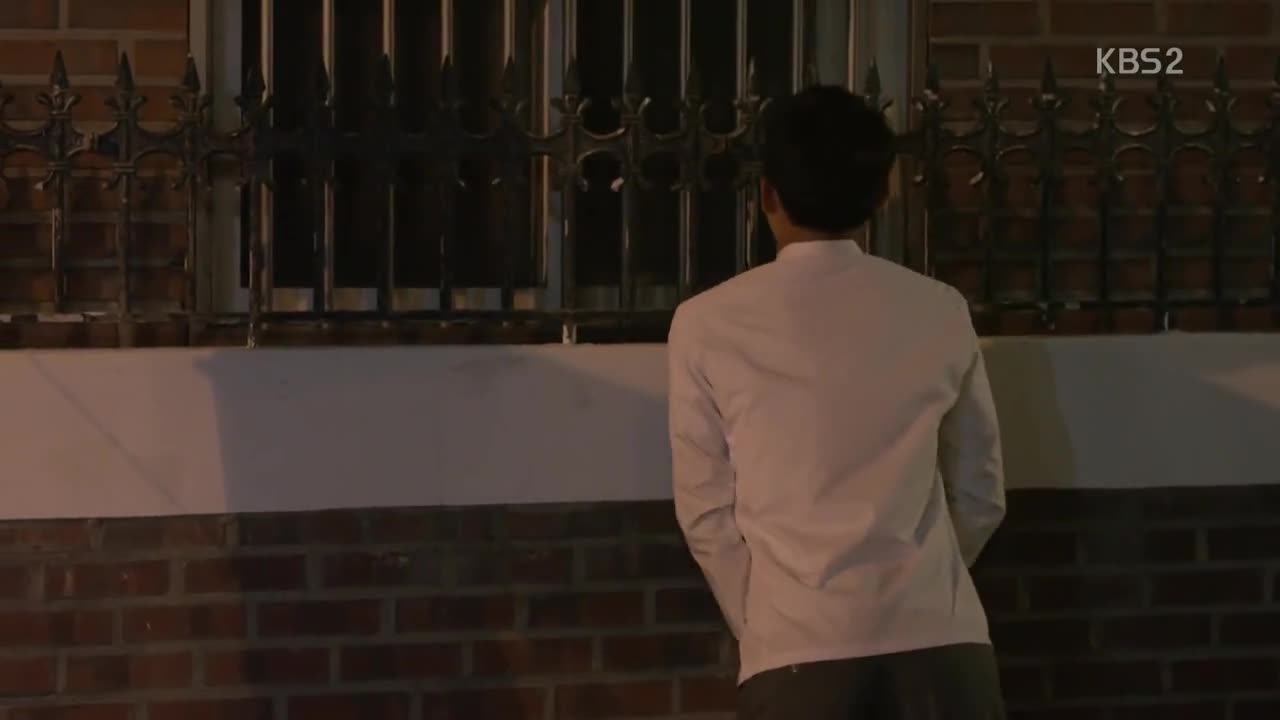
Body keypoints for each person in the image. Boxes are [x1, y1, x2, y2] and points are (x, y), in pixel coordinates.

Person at [666, 85, 1007, 720]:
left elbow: (706, 512)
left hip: (796, 652)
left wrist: (768, 622)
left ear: (768, 193)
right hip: (944, 644)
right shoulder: (938, 308)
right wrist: (924, 584)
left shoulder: (706, 323)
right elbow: (980, 490)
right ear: (882, 195)